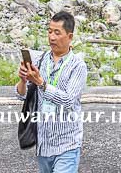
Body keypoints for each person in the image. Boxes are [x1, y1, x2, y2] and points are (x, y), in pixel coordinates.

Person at [15, 10, 88, 173]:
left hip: (67, 143)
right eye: (49, 31)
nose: (51, 37)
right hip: (43, 143)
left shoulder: (78, 66)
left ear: (70, 37)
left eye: (57, 32)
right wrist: (23, 79)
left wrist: (41, 83)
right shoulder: (40, 60)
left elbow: (69, 100)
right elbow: (21, 95)